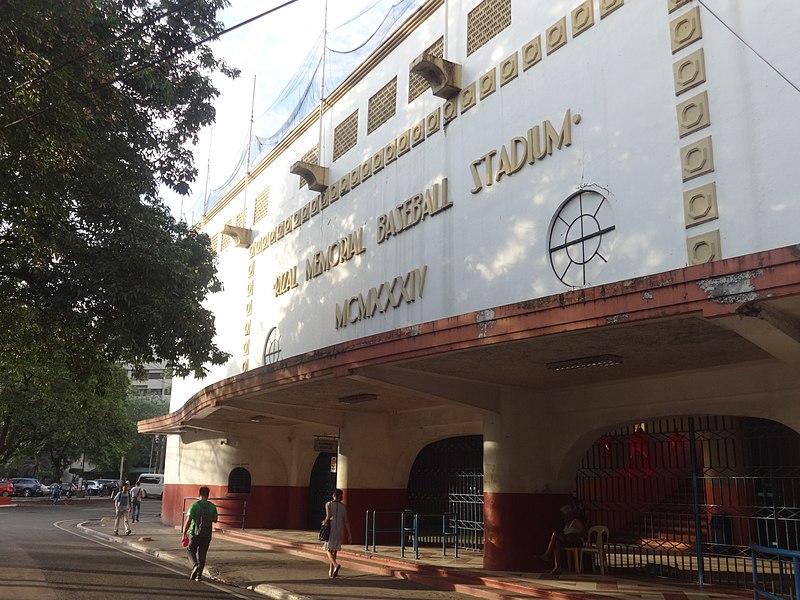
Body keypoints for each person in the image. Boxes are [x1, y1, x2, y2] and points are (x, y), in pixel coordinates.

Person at [181, 486, 218, 582]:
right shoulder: (212, 506)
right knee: (202, 554)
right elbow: (215, 520)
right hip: (207, 534)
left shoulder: (194, 505)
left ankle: (195, 565)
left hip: (195, 533)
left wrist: (184, 532)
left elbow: (188, 520)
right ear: (208, 495)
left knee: (190, 550)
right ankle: (199, 576)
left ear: (199, 494)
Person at [540, 504, 586, 574]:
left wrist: (573, 534)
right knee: (557, 543)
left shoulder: (576, 522)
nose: (563, 517)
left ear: (569, 514)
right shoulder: (566, 524)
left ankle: (546, 554)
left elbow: (583, 533)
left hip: (576, 541)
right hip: (568, 540)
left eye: (564, 515)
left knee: (555, 534)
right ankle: (557, 567)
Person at [321, 488, 352, 578]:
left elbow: (328, 516)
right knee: (334, 549)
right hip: (340, 528)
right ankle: (332, 570)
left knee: (328, 549)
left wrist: (324, 522)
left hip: (332, 527)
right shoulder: (343, 506)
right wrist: (350, 534)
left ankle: (335, 565)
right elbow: (346, 521)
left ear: (334, 496)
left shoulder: (328, 504)